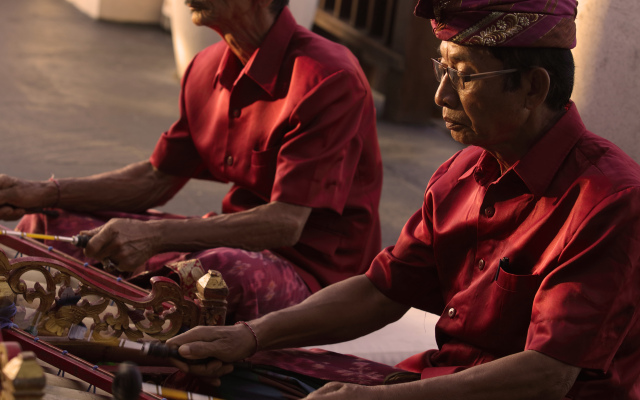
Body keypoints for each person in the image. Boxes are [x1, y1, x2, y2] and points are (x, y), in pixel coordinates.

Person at [164, 0, 640, 399]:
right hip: (433, 380)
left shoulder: (609, 200)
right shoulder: (462, 173)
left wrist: (382, 398)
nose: (440, 96)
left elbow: (548, 374)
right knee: (218, 375)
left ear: (533, 87)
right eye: (442, 69)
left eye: (465, 76)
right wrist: (249, 336)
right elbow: (381, 289)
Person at [0, 0, 383, 323]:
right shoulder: (206, 65)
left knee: (206, 276)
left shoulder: (328, 78)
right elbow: (155, 179)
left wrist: (155, 237)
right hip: (229, 239)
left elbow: (285, 225)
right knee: (47, 223)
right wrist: (43, 193)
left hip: (312, 272)